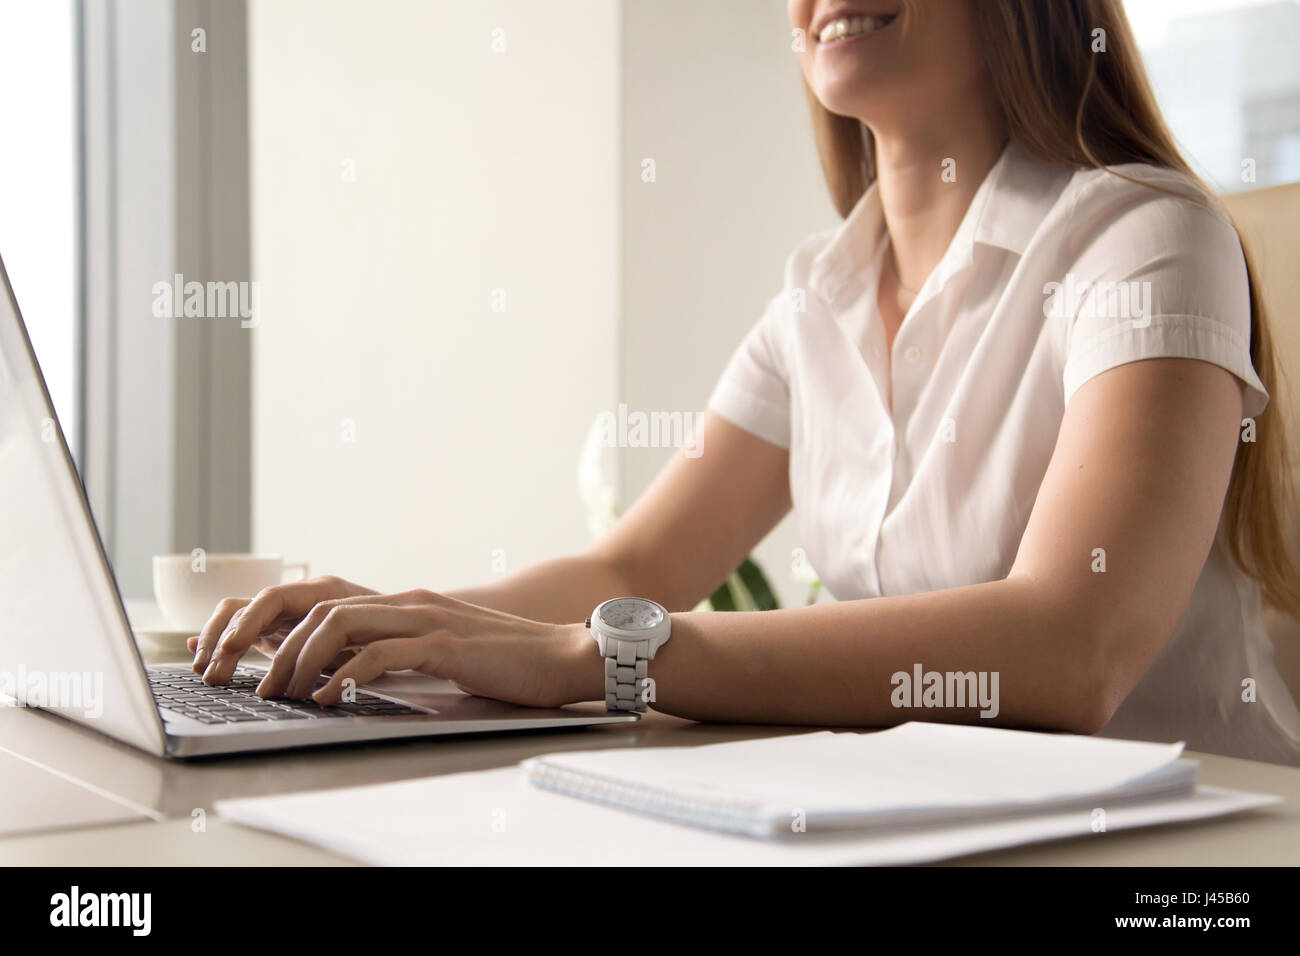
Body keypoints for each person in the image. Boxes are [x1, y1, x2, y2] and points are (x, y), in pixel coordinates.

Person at [189, 0, 1300, 764]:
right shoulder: (817, 296)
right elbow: (637, 559)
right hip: (933, 822)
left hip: (1185, 848)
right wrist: (401, 622)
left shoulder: (1145, 237)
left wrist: (601, 656)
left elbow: (1073, 644)